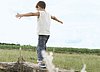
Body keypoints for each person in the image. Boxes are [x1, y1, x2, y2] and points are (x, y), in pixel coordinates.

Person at [16, 1, 63, 67]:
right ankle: (44, 61)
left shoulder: (40, 13)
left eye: (37, 8)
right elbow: (54, 17)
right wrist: (59, 21)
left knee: (40, 48)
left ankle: (40, 62)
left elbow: (32, 13)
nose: (37, 10)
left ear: (39, 6)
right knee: (43, 48)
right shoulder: (48, 14)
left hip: (42, 33)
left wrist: (21, 15)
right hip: (47, 34)